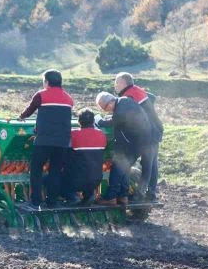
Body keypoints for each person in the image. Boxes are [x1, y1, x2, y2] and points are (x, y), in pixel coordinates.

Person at [19, 69, 74, 210]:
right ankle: (52, 202)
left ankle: (36, 201)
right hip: (63, 142)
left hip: (44, 140)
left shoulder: (41, 95)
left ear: (47, 82)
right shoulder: (68, 99)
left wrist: (21, 117)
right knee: (55, 172)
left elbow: (29, 111)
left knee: (36, 169)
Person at [94, 92, 153, 206]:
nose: (106, 111)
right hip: (142, 140)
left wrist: (97, 119)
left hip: (134, 143)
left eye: (105, 108)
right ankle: (123, 196)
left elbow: (107, 123)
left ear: (111, 102)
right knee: (125, 168)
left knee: (117, 168)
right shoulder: (125, 100)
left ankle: (110, 198)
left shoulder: (120, 111)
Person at [114, 72, 163, 201]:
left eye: (117, 82)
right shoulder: (137, 91)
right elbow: (151, 98)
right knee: (151, 163)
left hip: (148, 133)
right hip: (153, 131)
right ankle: (149, 192)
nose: (115, 85)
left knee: (147, 163)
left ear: (124, 83)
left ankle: (141, 193)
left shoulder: (129, 96)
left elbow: (126, 116)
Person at [61, 109, 107, 206]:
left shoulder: (73, 134)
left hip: (75, 180)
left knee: (52, 178)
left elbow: (62, 151)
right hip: (96, 180)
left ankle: (72, 197)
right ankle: (89, 196)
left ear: (78, 122)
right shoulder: (101, 134)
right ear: (94, 122)